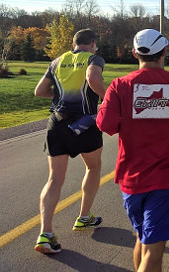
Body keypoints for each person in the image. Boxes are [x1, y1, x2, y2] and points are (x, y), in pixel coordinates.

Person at [96, 29, 169, 272]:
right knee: (154, 253)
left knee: (142, 239)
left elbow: (106, 125)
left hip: (131, 180)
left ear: (135, 53)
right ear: (164, 52)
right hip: (165, 179)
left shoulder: (119, 85)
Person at [33, 28, 106, 254]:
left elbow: (39, 91)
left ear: (74, 44)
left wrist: (59, 98)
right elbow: (92, 77)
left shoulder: (57, 61)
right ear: (92, 43)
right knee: (93, 167)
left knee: (54, 179)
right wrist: (106, 97)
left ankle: (46, 233)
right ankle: (84, 217)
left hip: (57, 122)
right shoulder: (94, 58)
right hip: (85, 123)